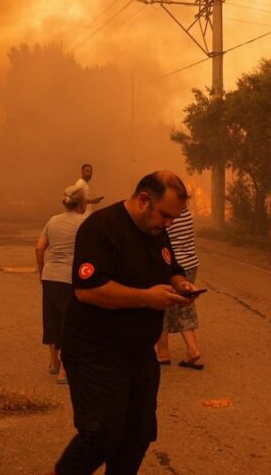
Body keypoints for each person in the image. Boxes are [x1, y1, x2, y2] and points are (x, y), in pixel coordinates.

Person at [54, 171, 198, 475]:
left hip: (138, 352)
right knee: (101, 435)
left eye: (174, 218)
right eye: (165, 215)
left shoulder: (157, 231)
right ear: (144, 199)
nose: (168, 224)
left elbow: (171, 267)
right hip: (94, 351)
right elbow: (88, 289)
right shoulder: (102, 227)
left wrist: (181, 283)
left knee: (137, 436)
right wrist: (147, 298)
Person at [35, 184, 89, 385]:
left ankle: (53, 363)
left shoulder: (53, 220)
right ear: (82, 203)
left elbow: (39, 249)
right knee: (70, 322)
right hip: (70, 278)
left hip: (50, 276)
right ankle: (64, 371)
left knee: (52, 319)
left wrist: (42, 272)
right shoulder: (85, 222)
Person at [155, 207, 204, 369]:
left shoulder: (166, 215)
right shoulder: (186, 212)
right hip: (190, 263)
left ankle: (162, 353)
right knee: (185, 305)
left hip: (171, 266)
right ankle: (192, 349)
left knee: (162, 306)